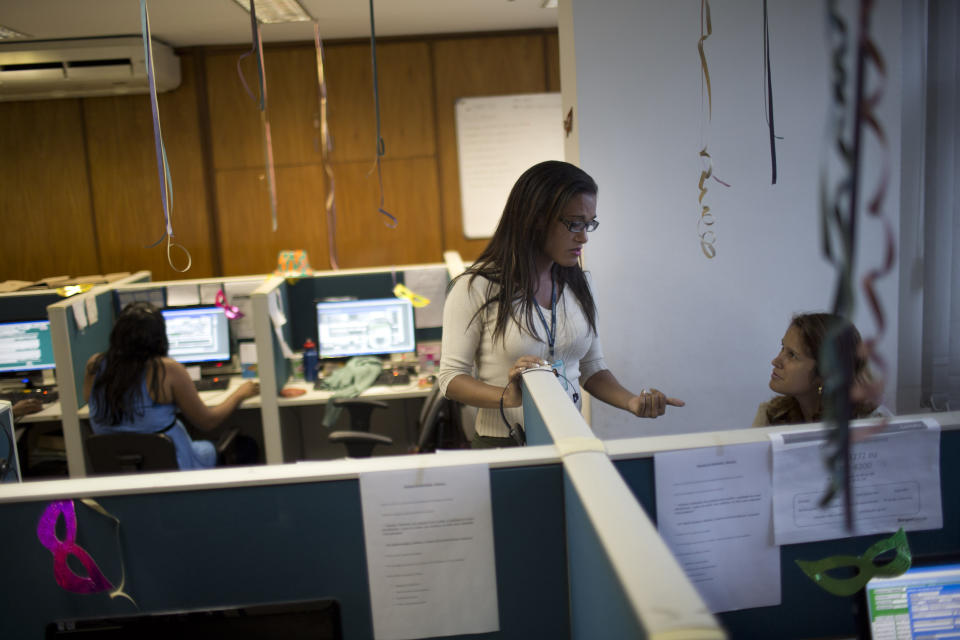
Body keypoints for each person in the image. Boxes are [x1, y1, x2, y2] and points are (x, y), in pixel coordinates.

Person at [438, 160, 683, 448]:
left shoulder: (579, 284)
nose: (584, 237)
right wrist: (510, 396)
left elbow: (591, 367)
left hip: (571, 440)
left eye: (589, 223)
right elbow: (451, 379)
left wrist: (630, 401)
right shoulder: (476, 287)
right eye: (574, 223)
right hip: (506, 443)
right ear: (536, 218)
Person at [83, 301, 259, 469]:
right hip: (172, 468)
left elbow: (91, 401)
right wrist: (239, 394)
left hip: (118, 470)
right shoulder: (165, 369)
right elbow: (207, 421)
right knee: (246, 447)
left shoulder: (95, 365)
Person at [753, 312, 889, 427]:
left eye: (792, 355)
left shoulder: (872, 423)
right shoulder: (770, 414)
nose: (775, 361)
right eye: (783, 348)